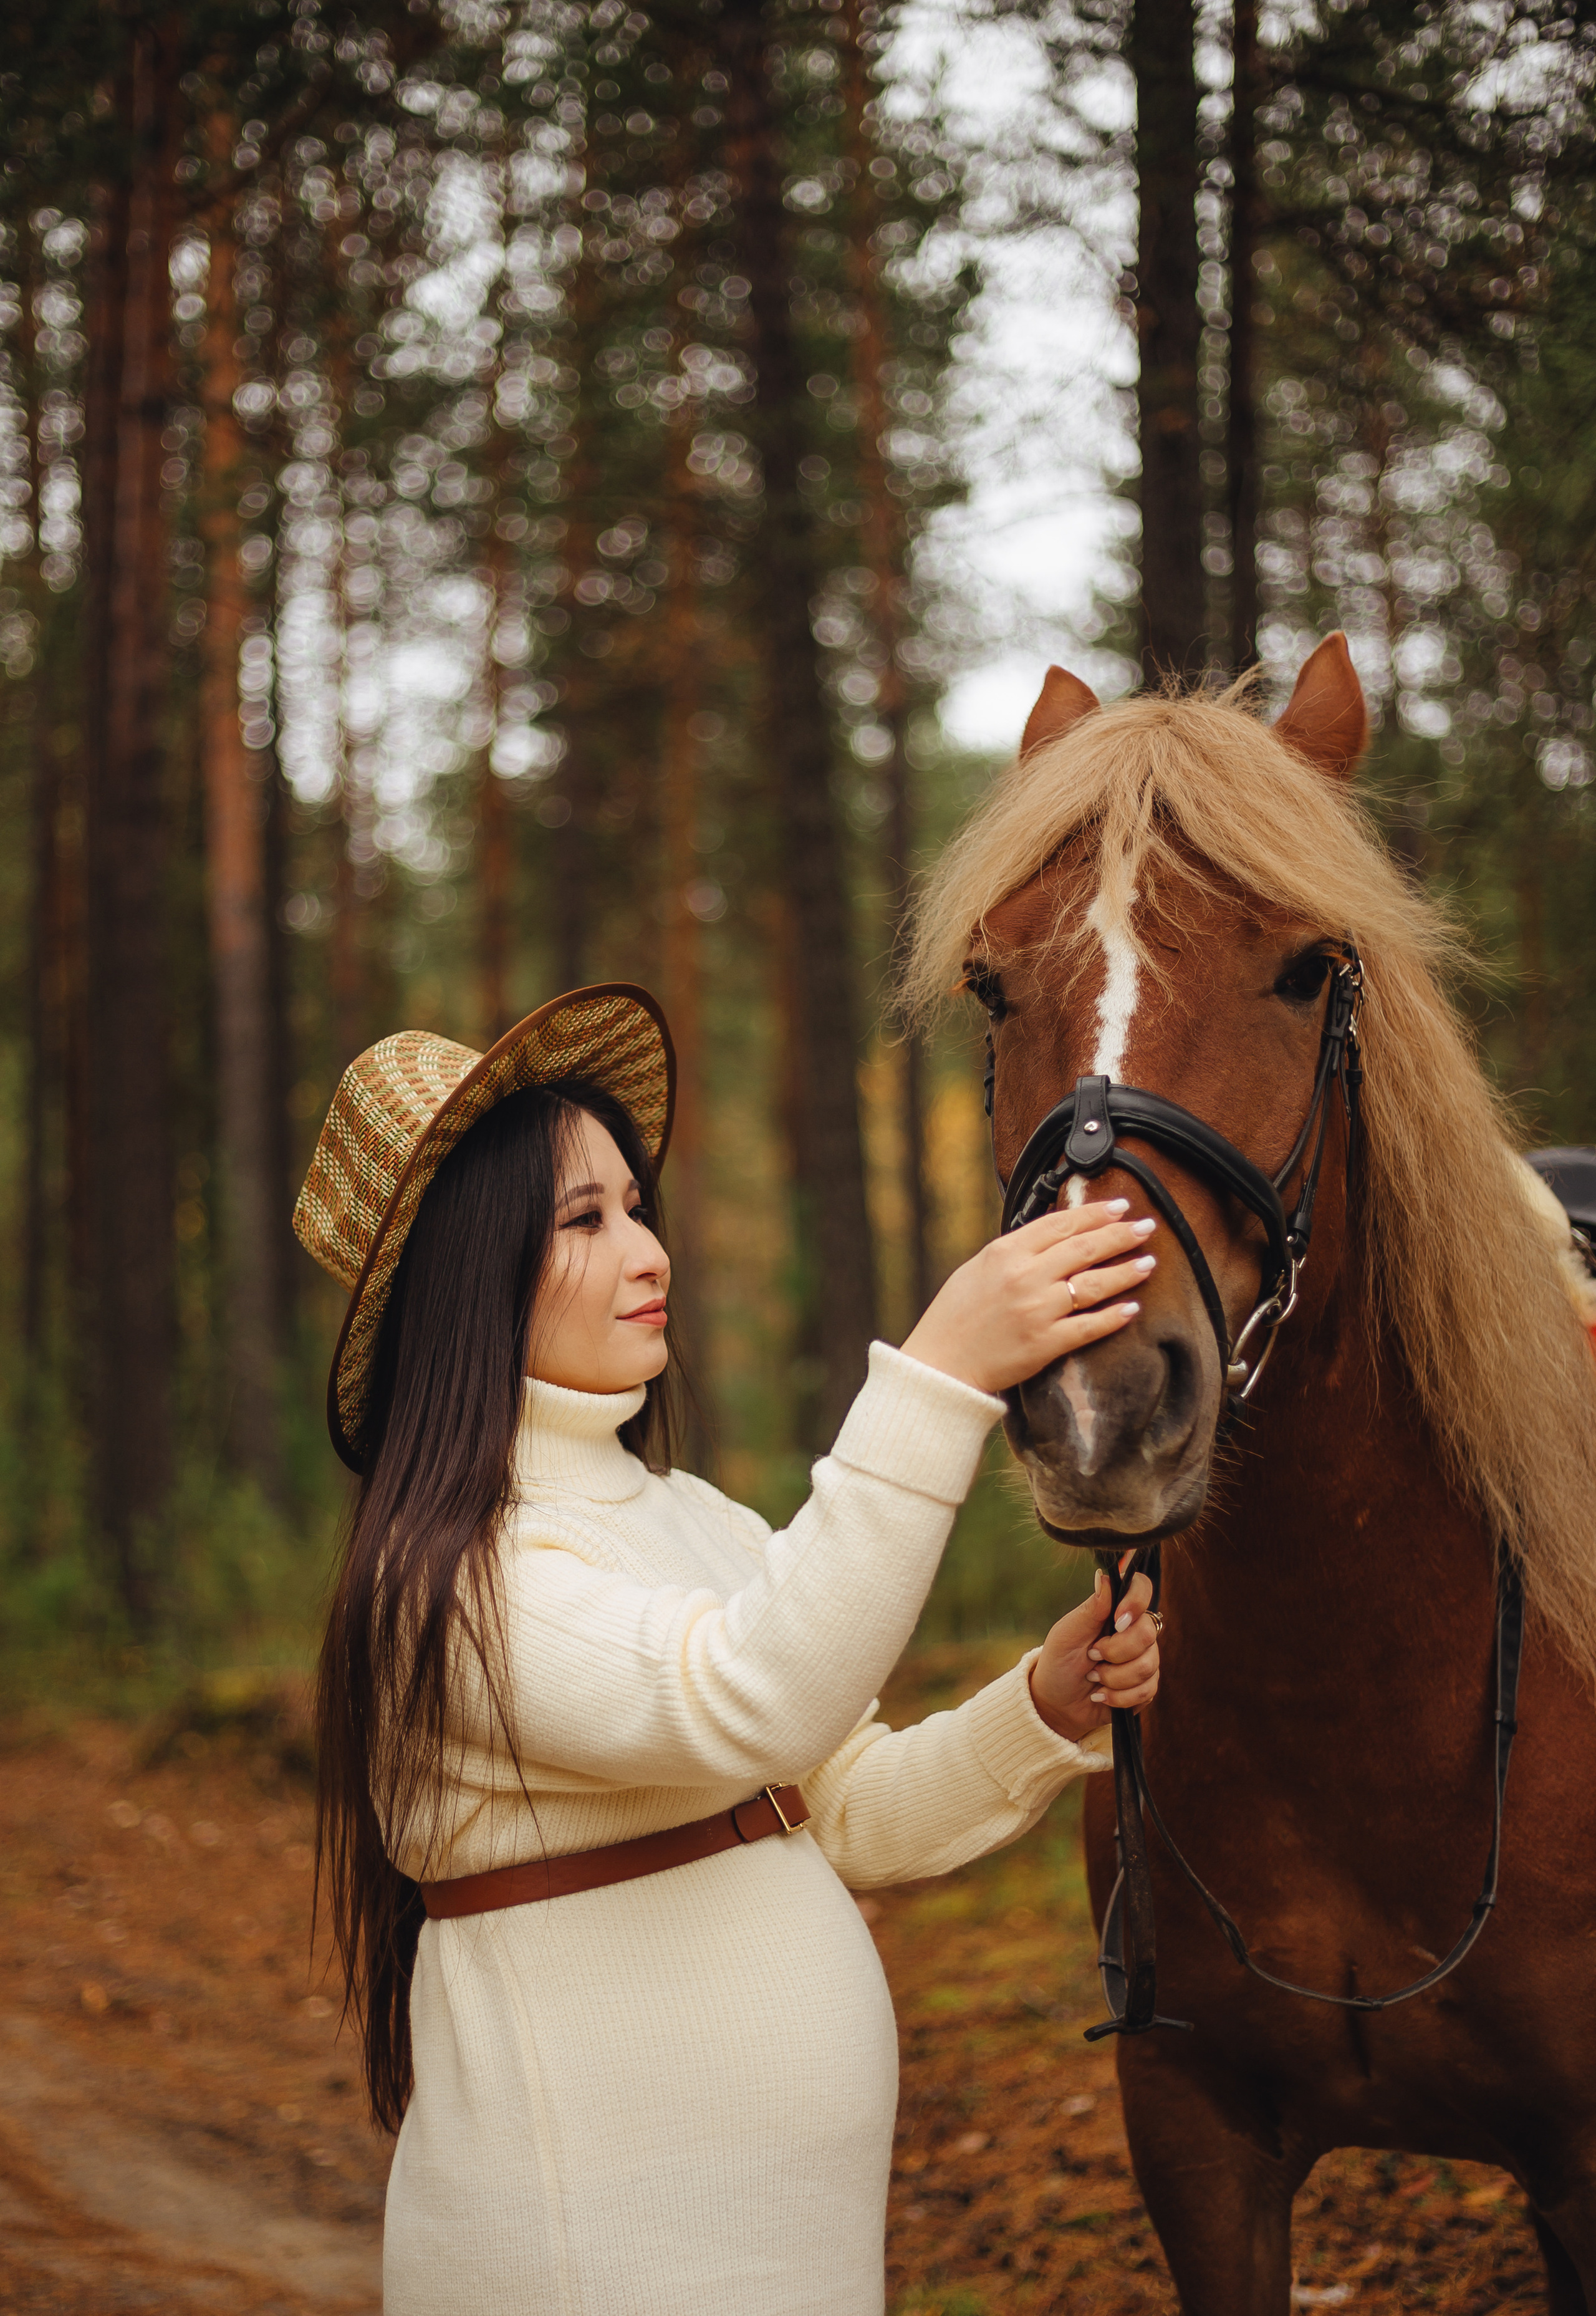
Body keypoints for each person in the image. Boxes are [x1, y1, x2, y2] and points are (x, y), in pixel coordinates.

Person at [293, 982, 1162, 2316]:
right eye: (584, 1219)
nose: (648, 1252)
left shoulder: (689, 1518)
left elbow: (840, 1803)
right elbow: (745, 1704)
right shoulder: (447, 1579)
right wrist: (936, 1378)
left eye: (634, 1206)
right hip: (592, 2249)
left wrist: (1039, 1705)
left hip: (781, 2252)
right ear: (468, 1277)